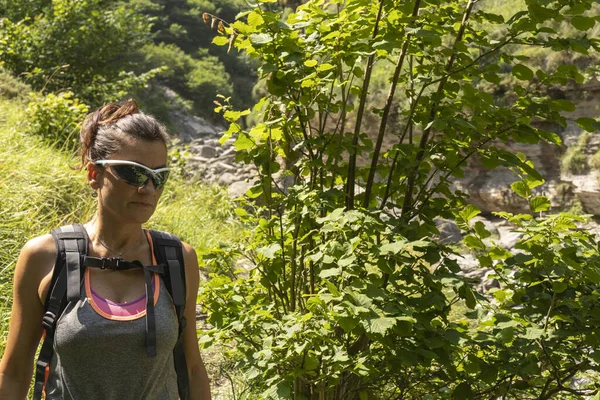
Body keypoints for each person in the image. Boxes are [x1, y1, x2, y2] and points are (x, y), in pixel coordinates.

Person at [0, 99, 212, 399]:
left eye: (159, 176)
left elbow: (192, 369)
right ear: (93, 174)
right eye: (134, 173)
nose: (148, 188)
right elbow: (14, 372)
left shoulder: (177, 258)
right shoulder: (45, 257)